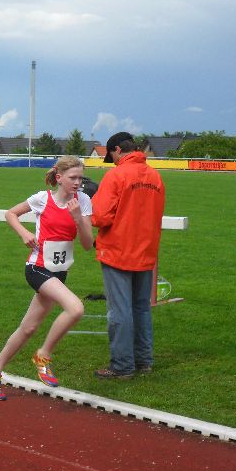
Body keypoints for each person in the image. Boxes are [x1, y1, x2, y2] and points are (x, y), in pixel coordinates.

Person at [0, 155, 94, 401]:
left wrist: (78, 218)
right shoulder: (42, 199)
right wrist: (24, 233)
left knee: (29, 327)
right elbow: (11, 214)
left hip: (59, 272)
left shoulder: (83, 201)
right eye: (73, 178)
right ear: (59, 178)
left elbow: (87, 244)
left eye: (80, 178)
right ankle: (43, 355)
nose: (78, 182)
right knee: (75, 308)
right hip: (37, 268)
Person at [91, 132, 165, 380]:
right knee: (141, 308)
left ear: (117, 150)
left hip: (118, 251)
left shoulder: (116, 175)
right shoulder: (155, 176)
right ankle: (144, 361)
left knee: (119, 311)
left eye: (111, 156)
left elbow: (100, 217)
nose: (112, 161)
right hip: (145, 250)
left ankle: (122, 365)